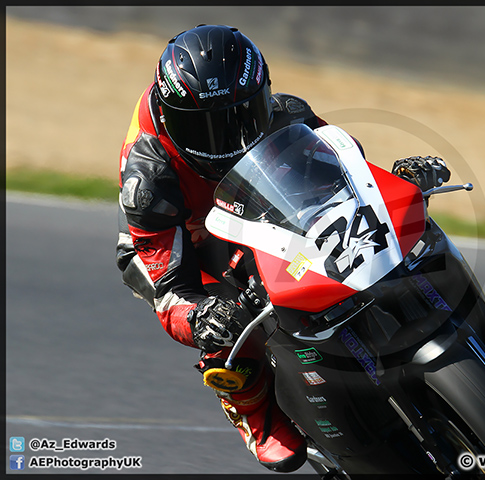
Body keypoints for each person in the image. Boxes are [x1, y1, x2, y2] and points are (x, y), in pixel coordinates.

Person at [115, 24, 450, 473]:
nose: (226, 140)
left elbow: (350, 171)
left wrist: (399, 181)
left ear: (262, 96)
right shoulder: (149, 178)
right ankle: (252, 409)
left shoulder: (286, 115)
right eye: (205, 128)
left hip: (255, 196)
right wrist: (198, 316)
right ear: (169, 117)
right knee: (222, 323)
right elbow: (170, 286)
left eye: (240, 117)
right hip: (190, 237)